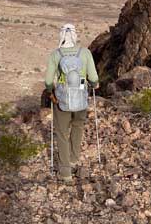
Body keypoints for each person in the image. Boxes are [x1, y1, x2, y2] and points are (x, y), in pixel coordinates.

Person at [44, 23, 99, 182]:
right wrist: (94, 85)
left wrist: (50, 91)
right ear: (75, 35)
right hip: (80, 96)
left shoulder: (56, 55)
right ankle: (74, 158)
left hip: (62, 98)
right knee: (78, 126)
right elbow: (93, 78)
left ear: (61, 36)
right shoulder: (85, 53)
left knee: (62, 133)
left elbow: (48, 81)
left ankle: (65, 172)